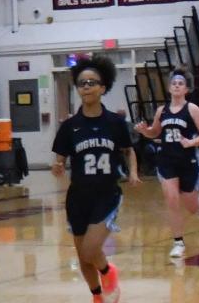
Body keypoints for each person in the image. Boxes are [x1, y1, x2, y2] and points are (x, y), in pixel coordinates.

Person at [52, 56, 139, 303]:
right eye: (82, 83)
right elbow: (59, 159)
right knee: (82, 256)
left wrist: (132, 172)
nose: (86, 86)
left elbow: (128, 150)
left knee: (91, 250)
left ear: (103, 87)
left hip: (106, 194)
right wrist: (57, 167)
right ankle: (97, 296)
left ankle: (108, 272)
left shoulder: (115, 123)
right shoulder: (70, 126)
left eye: (92, 82)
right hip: (78, 196)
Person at [134, 67, 199, 258]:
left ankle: (198, 204)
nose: (177, 86)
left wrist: (191, 142)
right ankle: (178, 242)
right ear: (169, 88)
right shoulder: (162, 110)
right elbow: (155, 133)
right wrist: (145, 131)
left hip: (188, 161)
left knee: (191, 206)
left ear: (186, 89)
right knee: (171, 200)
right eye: (174, 83)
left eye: (181, 83)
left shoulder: (192, 109)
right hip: (167, 160)